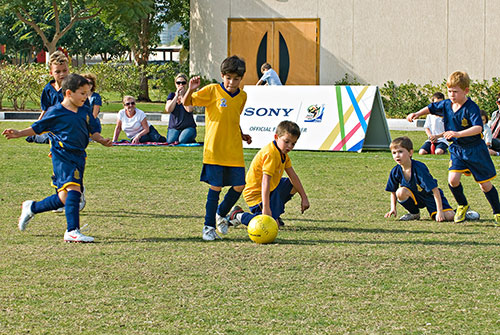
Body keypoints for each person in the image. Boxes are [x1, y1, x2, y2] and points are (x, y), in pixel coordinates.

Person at [2, 73, 112, 242]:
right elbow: (37, 127)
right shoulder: (56, 112)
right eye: (82, 93)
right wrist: (19, 133)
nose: (86, 97)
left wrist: (101, 140)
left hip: (79, 156)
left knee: (63, 198)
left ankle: (32, 207)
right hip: (62, 155)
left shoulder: (85, 110)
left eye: (87, 93)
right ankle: (72, 231)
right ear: (69, 93)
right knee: (74, 189)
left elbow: (93, 131)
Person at [407, 71, 500, 225]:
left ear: (466, 91)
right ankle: (462, 205)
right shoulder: (446, 105)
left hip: (475, 150)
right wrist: (417, 114)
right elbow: (431, 108)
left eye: (455, 91)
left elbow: (478, 128)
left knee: (485, 185)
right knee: (453, 179)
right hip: (457, 149)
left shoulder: (471, 107)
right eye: (449, 91)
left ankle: (497, 211)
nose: (452, 94)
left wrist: (457, 133)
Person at [181, 55, 252, 241]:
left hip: (234, 149)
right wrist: (190, 89)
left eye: (236, 79)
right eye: (228, 78)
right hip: (215, 149)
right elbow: (187, 102)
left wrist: (241, 133)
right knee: (216, 187)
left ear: (241, 79)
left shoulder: (242, 96)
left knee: (240, 186)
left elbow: (233, 118)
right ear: (222, 76)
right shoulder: (212, 91)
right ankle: (208, 227)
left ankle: (221, 213)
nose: (232, 82)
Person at [225, 121, 310, 228]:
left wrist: (304, 197)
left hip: (271, 190)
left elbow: (293, 177)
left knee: (292, 184)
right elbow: (265, 182)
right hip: (256, 195)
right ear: (276, 137)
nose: (289, 146)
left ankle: (274, 213)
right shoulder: (271, 154)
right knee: (268, 225)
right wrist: (266, 208)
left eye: (293, 143)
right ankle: (237, 215)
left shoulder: (283, 154)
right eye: (286, 141)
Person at [384, 136, 478, 222]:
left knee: (448, 217)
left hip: (430, 197)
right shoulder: (395, 171)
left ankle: (463, 212)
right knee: (400, 192)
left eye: (400, 152)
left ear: (410, 152)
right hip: (416, 197)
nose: (397, 155)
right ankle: (414, 214)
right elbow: (393, 191)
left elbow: (435, 191)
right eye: (394, 153)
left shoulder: (419, 168)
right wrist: (393, 208)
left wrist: (440, 211)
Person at [26, 50, 69, 144]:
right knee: (43, 136)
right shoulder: (48, 89)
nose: (62, 74)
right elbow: (45, 110)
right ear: (51, 73)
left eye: (64, 70)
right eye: (57, 71)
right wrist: (35, 127)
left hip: (68, 125)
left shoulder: (73, 87)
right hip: (52, 125)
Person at [164, 73, 197, 144]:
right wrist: (176, 96)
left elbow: (189, 109)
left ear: (187, 84)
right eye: (178, 83)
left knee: (182, 140)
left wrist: (182, 97)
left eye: (183, 83)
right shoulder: (171, 95)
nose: (180, 85)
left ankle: (189, 137)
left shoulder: (189, 95)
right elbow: (168, 109)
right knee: (170, 141)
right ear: (175, 84)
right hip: (174, 127)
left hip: (188, 127)